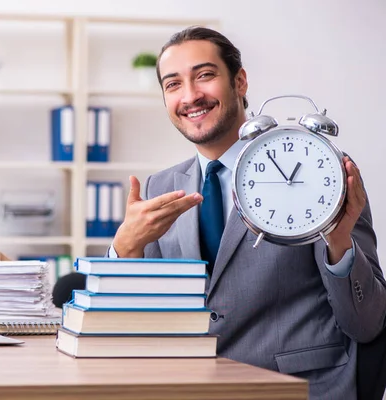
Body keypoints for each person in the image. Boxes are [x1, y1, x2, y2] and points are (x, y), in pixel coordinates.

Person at [109, 26, 386, 400]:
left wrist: (336, 239)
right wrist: (124, 250)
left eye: (204, 76)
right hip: (189, 389)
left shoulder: (321, 173)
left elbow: (367, 324)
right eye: (173, 84)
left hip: (296, 389)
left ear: (239, 82)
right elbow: (130, 328)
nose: (190, 96)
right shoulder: (159, 188)